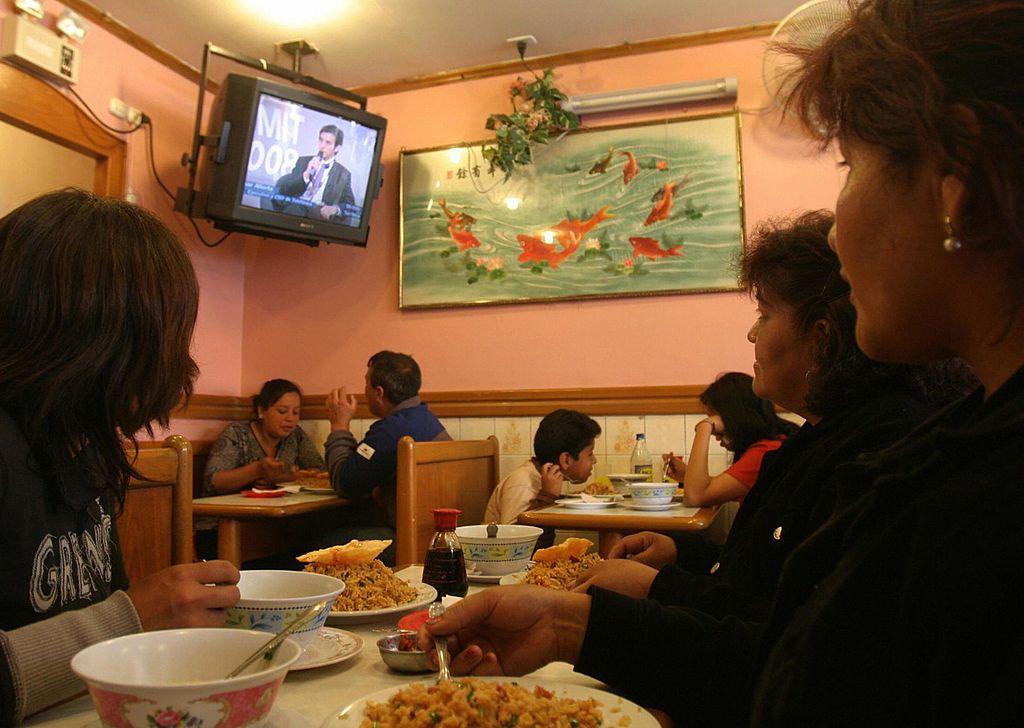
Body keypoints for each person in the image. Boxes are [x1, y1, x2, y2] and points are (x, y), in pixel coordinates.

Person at [422, 1, 1024, 724]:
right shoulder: (952, 444)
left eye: (850, 163)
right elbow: (792, 656)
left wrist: (585, 621)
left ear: (956, 177)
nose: (837, 234)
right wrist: (567, 623)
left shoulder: (970, 497)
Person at [581, 211, 973, 614]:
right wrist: (681, 556)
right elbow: (760, 576)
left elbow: (779, 641)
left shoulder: (880, 451)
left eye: (764, 314)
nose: (752, 333)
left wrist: (653, 591)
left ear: (822, 338)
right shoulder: (821, 435)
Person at [0, 189, 240, 724]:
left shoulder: (87, 449)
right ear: (99, 340)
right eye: (171, 333)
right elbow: (117, 620)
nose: (180, 362)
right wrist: (130, 618)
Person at [323, 351, 449, 562]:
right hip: (433, 536)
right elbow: (363, 468)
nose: (364, 391)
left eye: (366, 384)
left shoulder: (392, 430)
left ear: (379, 393)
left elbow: (344, 482)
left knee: (319, 542)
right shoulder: (425, 419)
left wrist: (339, 426)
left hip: (410, 542)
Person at [664, 372, 797, 507]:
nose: (716, 435)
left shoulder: (764, 453)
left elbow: (695, 498)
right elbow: (722, 488)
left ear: (734, 418)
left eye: (716, 420)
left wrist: (704, 427)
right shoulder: (774, 443)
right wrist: (687, 475)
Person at [203, 378, 324, 496]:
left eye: (295, 412)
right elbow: (213, 482)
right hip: (231, 511)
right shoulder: (238, 434)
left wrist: (281, 478)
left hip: (279, 510)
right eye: (282, 411)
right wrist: (256, 470)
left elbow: (319, 472)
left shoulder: (295, 435)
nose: (290, 418)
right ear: (261, 410)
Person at [484, 409, 600, 528]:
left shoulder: (541, 477)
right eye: (590, 454)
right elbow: (514, 538)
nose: (594, 460)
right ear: (566, 459)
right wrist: (548, 496)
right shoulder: (523, 483)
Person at [272, 124, 356, 223]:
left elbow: (349, 204)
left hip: (319, 215)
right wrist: (306, 174)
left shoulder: (343, 174)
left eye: (328, 143)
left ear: (337, 148)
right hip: (296, 209)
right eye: (320, 140)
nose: (322, 146)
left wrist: (335, 209)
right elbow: (287, 189)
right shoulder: (303, 161)